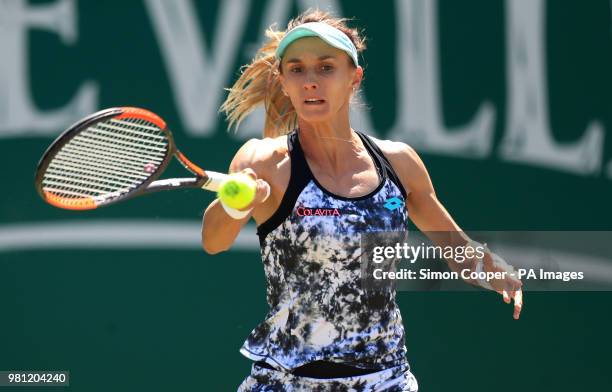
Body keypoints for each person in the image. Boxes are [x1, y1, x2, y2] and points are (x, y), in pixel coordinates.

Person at [202, 10, 523, 392]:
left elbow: (456, 248)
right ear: (283, 82)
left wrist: (490, 265)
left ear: (354, 78)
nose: (310, 83)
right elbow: (214, 241)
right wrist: (236, 204)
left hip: (385, 381)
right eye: (297, 70)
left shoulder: (399, 163)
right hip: (285, 383)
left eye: (325, 68)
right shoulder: (262, 162)